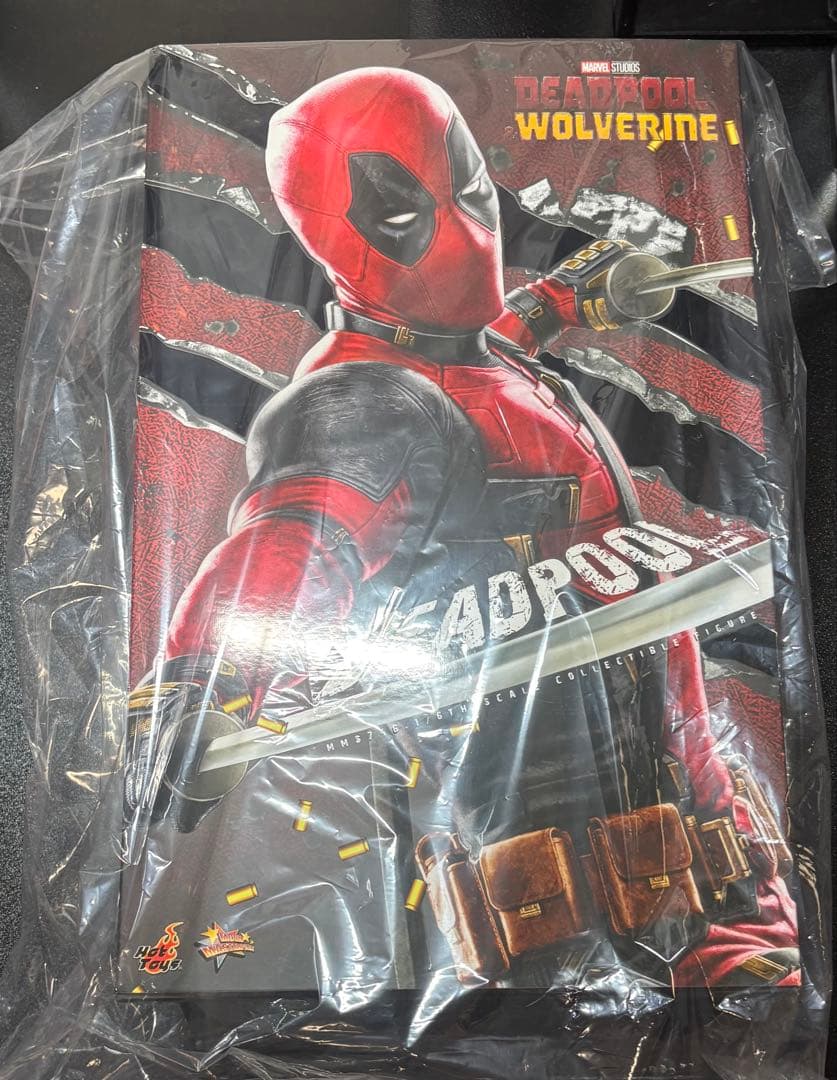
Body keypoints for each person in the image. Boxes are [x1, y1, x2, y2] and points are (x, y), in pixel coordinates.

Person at [127, 67, 799, 990]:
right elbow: (291, 542)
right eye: (405, 211)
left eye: (470, 189)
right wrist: (202, 678)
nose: (464, 230)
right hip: (586, 886)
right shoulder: (368, 402)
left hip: (702, 834)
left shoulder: (456, 361)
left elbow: (482, 360)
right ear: (334, 233)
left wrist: (562, 300)